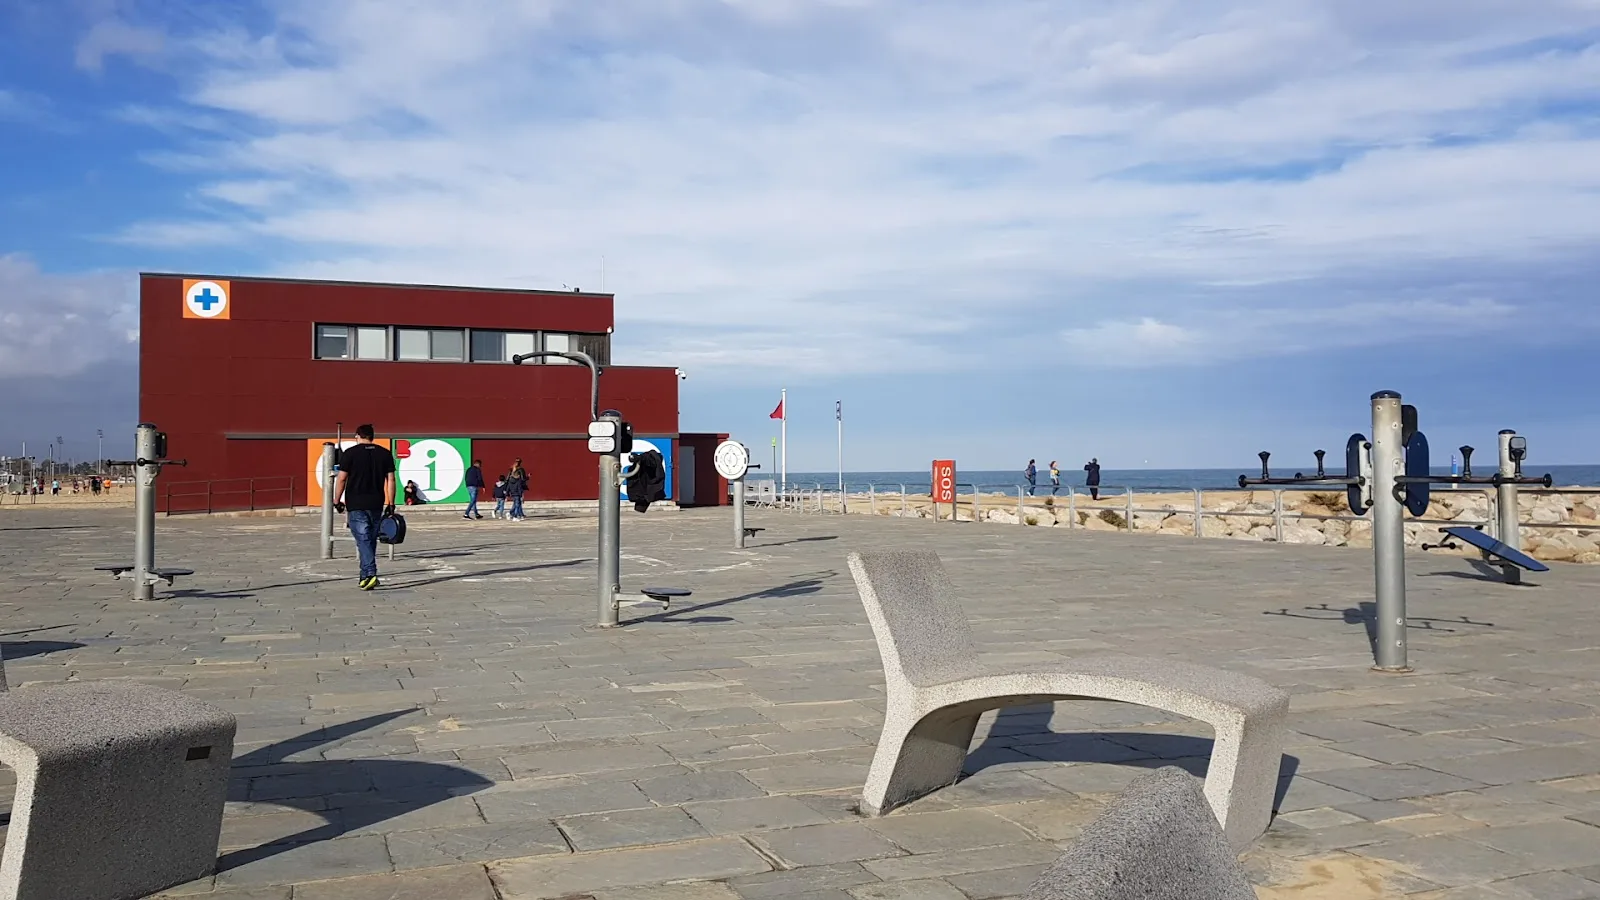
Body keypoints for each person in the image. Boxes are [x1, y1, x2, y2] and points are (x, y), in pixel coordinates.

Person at [332, 424, 396, 590]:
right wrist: (391, 503)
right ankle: (364, 577)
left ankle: (371, 573)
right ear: (372, 436)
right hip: (376, 503)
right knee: (368, 540)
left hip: (356, 503)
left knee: (363, 539)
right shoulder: (385, 454)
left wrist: (336, 500)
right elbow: (391, 480)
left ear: (357, 436)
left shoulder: (350, 453)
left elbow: (341, 479)